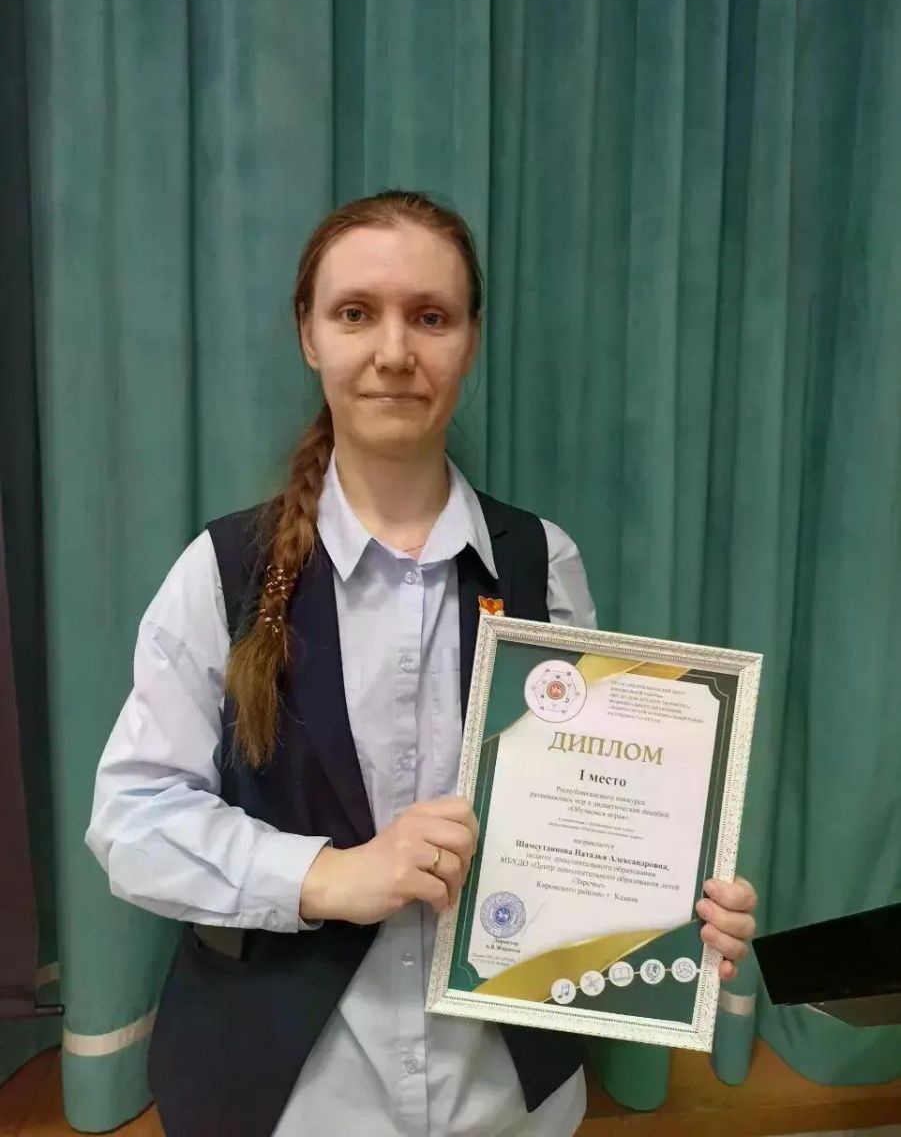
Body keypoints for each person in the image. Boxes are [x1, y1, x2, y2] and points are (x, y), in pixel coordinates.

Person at [87, 191, 757, 1137]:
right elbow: (133, 821)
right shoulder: (222, 570)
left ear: (471, 341)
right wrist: (328, 877)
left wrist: (672, 906)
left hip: (507, 1101)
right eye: (355, 313)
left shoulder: (542, 561)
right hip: (289, 1103)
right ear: (308, 335)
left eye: (431, 317)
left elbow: (586, 809)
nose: (394, 351)